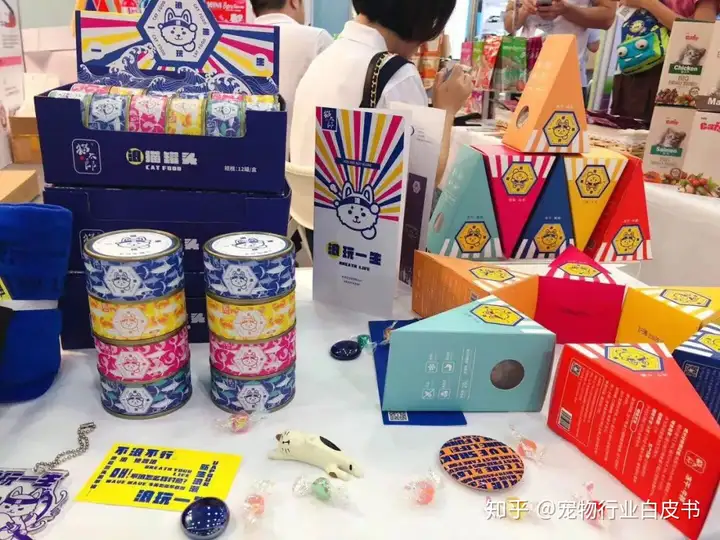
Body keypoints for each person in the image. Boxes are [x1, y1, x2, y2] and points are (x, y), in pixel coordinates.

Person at [289, 0, 472, 254]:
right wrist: (447, 110)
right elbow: (422, 186)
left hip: (318, 233)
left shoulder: (324, 57)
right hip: (369, 245)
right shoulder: (396, 74)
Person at [611, 0, 716, 121]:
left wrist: (648, 3)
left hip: (673, 76)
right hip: (631, 67)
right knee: (621, 126)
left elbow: (703, 33)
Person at [250, 0, 334, 149]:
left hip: (238, 155)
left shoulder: (230, 40)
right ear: (294, 2)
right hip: (300, 157)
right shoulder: (317, 39)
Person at [503, 0, 615, 103]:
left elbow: (607, 18)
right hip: (523, 77)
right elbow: (509, 25)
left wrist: (566, 10)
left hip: (567, 78)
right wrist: (523, 9)